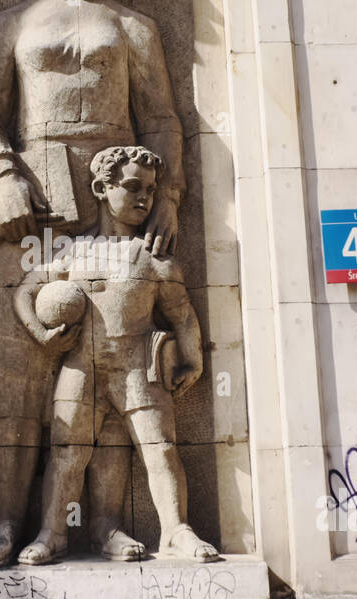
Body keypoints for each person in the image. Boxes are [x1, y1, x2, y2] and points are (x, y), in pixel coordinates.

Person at [0, 0, 186, 568]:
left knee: (116, 374)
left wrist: (168, 196)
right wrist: (0, 174)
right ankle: (4, 520)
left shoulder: (133, 26)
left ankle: (108, 524)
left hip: (119, 207)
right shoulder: (14, 23)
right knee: (18, 374)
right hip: (36, 210)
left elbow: (163, 118)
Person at [11, 146, 216, 565]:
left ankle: (176, 530)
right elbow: (25, 292)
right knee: (68, 452)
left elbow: (183, 315)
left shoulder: (154, 258)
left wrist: (193, 358)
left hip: (138, 366)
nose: (145, 198)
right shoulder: (74, 252)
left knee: (159, 449)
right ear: (101, 189)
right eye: (133, 187)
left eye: (153, 190)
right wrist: (42, 336)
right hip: (79, 366)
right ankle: (52, 534)